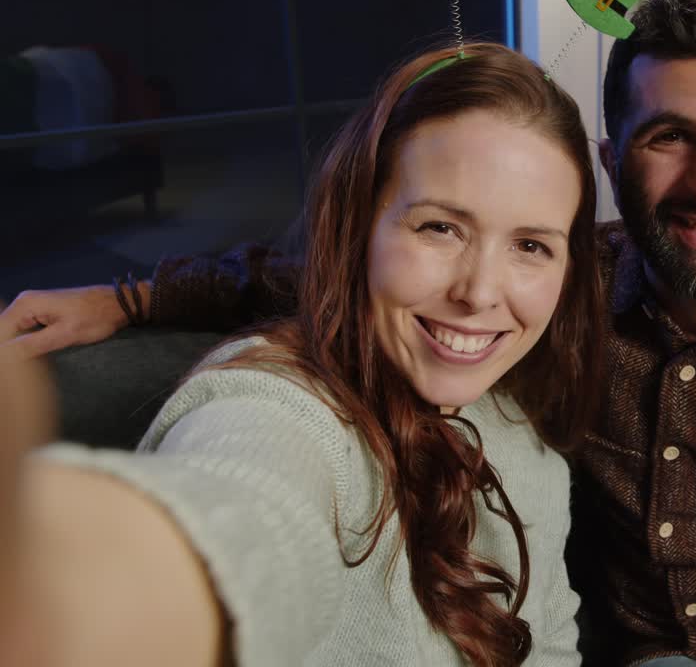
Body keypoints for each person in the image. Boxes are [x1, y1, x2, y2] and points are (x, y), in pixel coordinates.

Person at [0, 0, 696, 665]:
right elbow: (260, 474)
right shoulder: (559, 295)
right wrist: (125, 304)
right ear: (616, 163)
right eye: (670, 138)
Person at [0, 42, 604, 666]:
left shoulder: (524, 440)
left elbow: (552, 645)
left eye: (531, 245)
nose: (478, 293)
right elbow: (246, 518)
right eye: (439, 228)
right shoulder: (281, 408)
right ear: (359, 224)